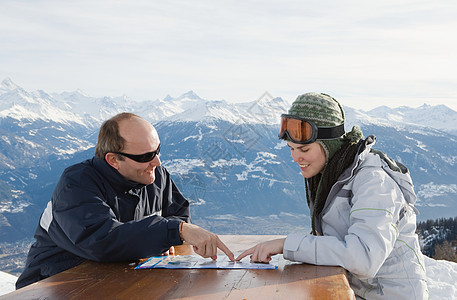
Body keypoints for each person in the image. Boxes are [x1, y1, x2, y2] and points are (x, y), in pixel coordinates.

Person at [236, 93, 428, 299]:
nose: (295, 157)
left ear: (330, 145)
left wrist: (286, 245)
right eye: (291, 149)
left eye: (304, 149)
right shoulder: (331, 177)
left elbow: (364, 258)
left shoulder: (374, 182)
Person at [16, 112, 234, 289]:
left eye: (157, 150)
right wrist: (171, 231)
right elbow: (101, 241)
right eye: (145, 156)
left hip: (115, 283)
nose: (157, 162)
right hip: (52, 286)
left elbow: (177, 213)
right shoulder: (76, 184)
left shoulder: (156, 175)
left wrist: (165, 237)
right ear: (113, 160)